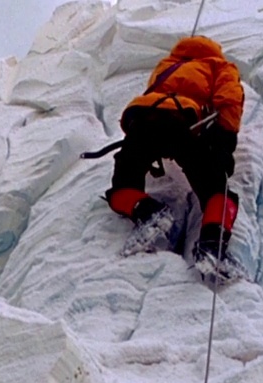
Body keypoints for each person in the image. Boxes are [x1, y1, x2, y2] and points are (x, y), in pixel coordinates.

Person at [105, 35, 244, 278]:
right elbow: (229, 100)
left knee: (121, 187)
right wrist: (224, 143)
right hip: (181, 125)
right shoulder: (218, 65)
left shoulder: (167, 65)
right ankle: (212, 245)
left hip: (143, 122)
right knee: (217, 192)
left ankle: (147, 211)